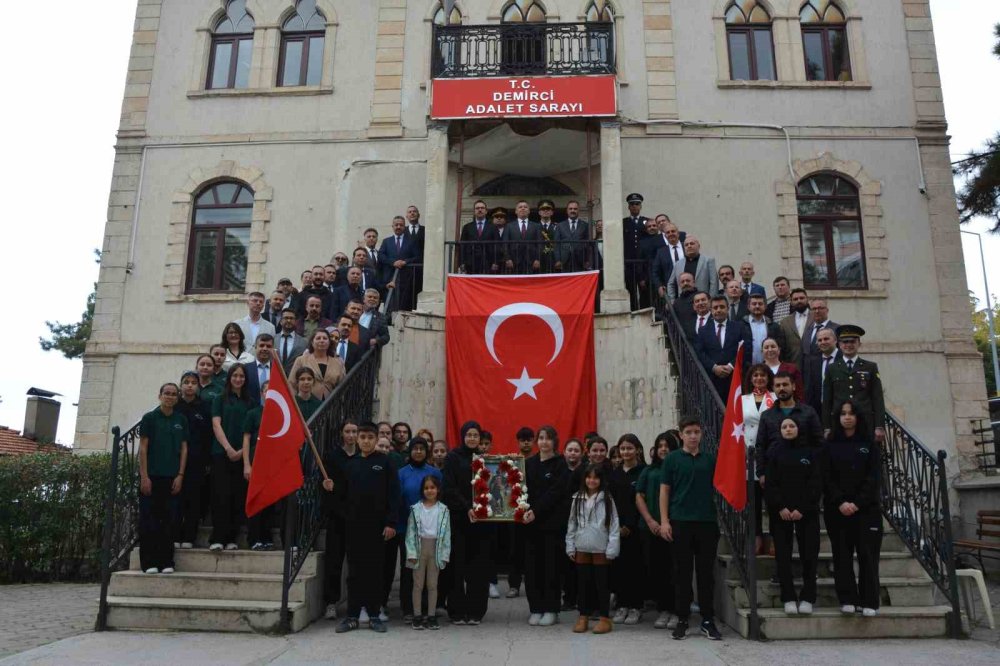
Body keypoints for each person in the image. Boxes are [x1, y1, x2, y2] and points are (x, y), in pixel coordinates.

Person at [659, 416, 723, 641]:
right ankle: (683, 619)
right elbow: (664, 491)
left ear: (701, 434)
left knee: (706, 574)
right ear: (681, 435)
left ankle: (707, 619)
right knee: (682, 573)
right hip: (680, 521)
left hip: (706, 522)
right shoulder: (672, 459)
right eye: (688, 432)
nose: (693, 436)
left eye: (696, 432)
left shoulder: (710, 460)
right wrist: (665, 521)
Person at [334, 422, 401, 634]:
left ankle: (373, 615)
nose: (365, 441)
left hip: (378, 528)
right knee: (354, 572)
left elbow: (394, 494)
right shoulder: (350, 464)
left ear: (376, 439)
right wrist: (332, 490)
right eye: (362, 437)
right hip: (354, 527)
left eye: (370, 437)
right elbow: (342, 495)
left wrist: (391, 522)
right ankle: (352, 616)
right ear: (357, 439)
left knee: (374, 571)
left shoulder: (386, 462)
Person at [824, 400, 882, 617]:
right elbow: (826, 477)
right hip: (837, 510)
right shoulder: (830, 445)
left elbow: (874, 477)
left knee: (868, 555)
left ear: (858, 417)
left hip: (866, 510)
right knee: (842, 554)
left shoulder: (869, 444)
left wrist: (857, 503)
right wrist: (840, 502)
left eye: (851, 413)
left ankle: (869, 601)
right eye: (843, 413)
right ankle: (847, 598)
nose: (847, 417)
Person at [765, 417, 824, 616]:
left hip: (806, 512)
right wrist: (781, 507)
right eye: (784, 426)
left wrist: (802, 508)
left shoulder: (810, 453)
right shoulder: (774, 453)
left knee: (809, 555)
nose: (788, 429)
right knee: (783, 556)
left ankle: (808, 597)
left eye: (792, 426)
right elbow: (771, 483)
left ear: (799, 429)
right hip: (781, 513)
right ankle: (788, 597)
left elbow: (815, 483)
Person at [442, 421, 495, 625]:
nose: (472, 438)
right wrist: (467, 507)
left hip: (482, 522)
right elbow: (449, 488)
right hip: (458, 520)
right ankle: (456, 611)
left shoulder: (486, 459)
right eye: (469, 435)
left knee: (478, 567)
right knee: (456, 566)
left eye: (476, 435)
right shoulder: (453, 458)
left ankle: (475, 611)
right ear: (462, 436)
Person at [138, 383, 188, 574]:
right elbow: (143, 448)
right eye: (166, 393)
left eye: (174, 394)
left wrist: (180, 475)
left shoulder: (181, 419)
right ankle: (149, 562)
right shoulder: (149, 418)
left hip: (172, 477)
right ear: (160, 396)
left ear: (177, 398)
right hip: (152, 476)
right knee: (149, 520)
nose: (170, 397)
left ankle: (167, 562)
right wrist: (144, 476)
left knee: (169, 520)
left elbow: (184, 449)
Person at [522, 426, 569, 626]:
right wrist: (523, 510)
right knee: (532, 568)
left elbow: (556, 493)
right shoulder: (528, 463)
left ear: (554, 441)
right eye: (541, 438)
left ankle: (551, 609)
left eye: (548, 438)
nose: (544, 442)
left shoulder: (560, 464)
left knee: (551, 567)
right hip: (530, 524)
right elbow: (520, 490)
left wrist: (536, 511)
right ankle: (536, 608)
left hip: (552, 525)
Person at [566, 464, 620, 635]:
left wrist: (612, 548)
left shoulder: (607, 499)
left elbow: (614, 525)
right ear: (584, 479)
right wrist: (570, 545)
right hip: (581, 545)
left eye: (596, 478)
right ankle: (583, 616)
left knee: (602, 584)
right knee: (583, 584)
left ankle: (604, 619)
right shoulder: (577, 498)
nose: (592, 480)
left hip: (601, 547)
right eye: (589, 477)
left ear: (601, 480)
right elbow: (572, 523)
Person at [392, 437, 442, 623]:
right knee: (409, 570)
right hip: (407, 528)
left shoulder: (434, 472)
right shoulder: (402, 473)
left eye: (422, 448)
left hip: (431, 530)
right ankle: (408, 609)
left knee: (430, 571)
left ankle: (429, 609)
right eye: (415, 448)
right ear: (410, 451)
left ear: (427, 452)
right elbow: (397, 499)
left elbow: (441, 498)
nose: (419, 451)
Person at [636, 430, 680, 629]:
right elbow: (639, 496)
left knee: (675, 569)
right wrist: (650, 521)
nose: (663, 449)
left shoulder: (677, 469)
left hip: (674, 527)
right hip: (651, 528)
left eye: (667, 446)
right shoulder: (648, 471)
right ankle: (663, 609)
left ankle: (677, 610)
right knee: (658, 570)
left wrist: (666, 522)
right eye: (660, 446)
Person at [209, 364, 253, 551]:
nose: (238, 379)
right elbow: (216, 425)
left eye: (241, 376)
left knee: (237, 496)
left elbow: (251, 431)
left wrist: (241, 452)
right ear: (229, 378)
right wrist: (228, 448)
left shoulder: (250, 402)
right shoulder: (219, 398)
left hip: (242, 455)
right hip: (221, 453)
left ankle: (231, 539)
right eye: (235, 375)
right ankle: (217, 538)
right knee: (221, 495)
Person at [754, 371, 824, 487]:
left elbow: (819, 443)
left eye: (785, 384)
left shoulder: (808, 412)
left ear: (794, 386)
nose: (781, 388)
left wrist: (816, 470)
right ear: (773, 388)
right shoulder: (767, 415)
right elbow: (760, 445)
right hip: (775, 474)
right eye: (778, 385)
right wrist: (761, 473)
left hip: (804, 474)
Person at [822, 325, 886, 443]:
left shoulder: (870, 367)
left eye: (852, 341)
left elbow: (877, 398)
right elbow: (827, 400)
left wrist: (879, 426)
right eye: (845, 342)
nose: (849, 345)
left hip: (865, 422)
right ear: (839, 344)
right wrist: (827, 427)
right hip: (840, 422)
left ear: (859, 344)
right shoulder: (832, 368)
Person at [322, 419, 359, 621]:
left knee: (356, 564)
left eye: (354, 431)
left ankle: (356, 603)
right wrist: (326, 485)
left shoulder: (363, 456)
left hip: (358, 517)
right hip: (337, 517)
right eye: (348, 431)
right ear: (342, 434)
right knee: (334, 561)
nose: (351, 435)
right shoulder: (333, 457)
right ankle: (331, 602)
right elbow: (326, 485)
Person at [406, 475, 451, 630]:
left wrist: (444, 555)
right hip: (419, 548)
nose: (429, 490)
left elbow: (447, 534)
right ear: (422, 490)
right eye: (426, 488)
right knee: (418, 584)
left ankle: (431, 616)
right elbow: (410, 532)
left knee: (432, 584)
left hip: (436, 549)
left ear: (438, 489)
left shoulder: (444, 510)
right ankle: (417, 616)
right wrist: (411, 553)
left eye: (432, 487)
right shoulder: (415, 509)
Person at [610, 434, 645, 625]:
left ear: (637, 449)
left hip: (637, 529)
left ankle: (635, 606)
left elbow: (642, 501)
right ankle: (622, 605)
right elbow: (611, 502)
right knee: (619, 568)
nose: (626, 452)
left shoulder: (643, 472)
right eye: (622, 448)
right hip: (616, 529)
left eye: (629, 448)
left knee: (635, 568)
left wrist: (630, 525)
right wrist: (617, 525)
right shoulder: (614, 474)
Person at [175, 371, 212, 550]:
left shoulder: (204, 407)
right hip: (175, 460)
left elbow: (208, 435)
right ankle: (175, 535)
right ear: (181, 385)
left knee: (194, 499)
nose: (190, 385)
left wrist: (207, 461)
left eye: (193, 383)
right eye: (186, 382)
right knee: (176, 499)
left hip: (197, 460)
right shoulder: (174, 406)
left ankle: (189, 536)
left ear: (198, 386)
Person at [742, 364, 776, 555]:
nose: (759, 378)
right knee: (753, 501)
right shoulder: (743, 400)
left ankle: (773, 537)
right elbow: (737, 426)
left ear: (768, 378)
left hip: (770, 455)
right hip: (748, 455)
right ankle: (756, 537)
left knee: (772, 500)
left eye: (763, 375)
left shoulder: (776, 398)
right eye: (755, 375)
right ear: (751, 378)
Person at [694, 296, 753, 399]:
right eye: (715, 307)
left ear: (728, 308)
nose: (719, 310)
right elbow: (700, 352)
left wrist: (731, 366)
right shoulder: (703, 330)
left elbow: (746, 349)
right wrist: (714, 367)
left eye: (722, 307)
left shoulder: (739, 327)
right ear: (711, 310)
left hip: (735, 378)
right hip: (712, 380)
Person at [242, 381, 275, 551]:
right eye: (266, 391)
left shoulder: (280, 414)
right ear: (262, 393)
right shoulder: (253, 413)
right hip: (255, 461)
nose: (269, 394)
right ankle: (254, 538)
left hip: (273, 464)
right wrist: (247, 465)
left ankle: (266, 537)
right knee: (255, 500)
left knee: (269, 502)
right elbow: (246, 438)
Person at [506, 426, 536, 599]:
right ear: (518, 442)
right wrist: (509, 464)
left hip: (533, 511)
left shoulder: (538, 461)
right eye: (522, 440)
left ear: (533, 441)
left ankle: (534, 584)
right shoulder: (512, 461)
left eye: (529, 440)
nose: (526, 443)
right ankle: (514, 585)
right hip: (514, 512)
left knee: (533, 549)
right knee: (514, 550)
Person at [290, 329, 345, 400]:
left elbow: (342, 386)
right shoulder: (301, 360)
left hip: (330, 403)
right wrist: (295, 401)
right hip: (305, 401)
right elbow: (292, 384)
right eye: (318, 338)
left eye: (325, 338)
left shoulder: (338, 363)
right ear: (312, 342)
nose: (322, 341)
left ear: (329, 342)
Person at [379, 216, 419, 311]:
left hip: (406, 278)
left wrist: (405, 262)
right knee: (390, 304)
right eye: (396, 225)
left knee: (404, 304)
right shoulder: (386, 241)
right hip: (390, 277)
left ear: (404, 227)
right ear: (392, 226)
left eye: (401, 225)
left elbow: (417, 256)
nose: (398, 227)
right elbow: (381, 256)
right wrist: (393, 262)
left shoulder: (411, 241)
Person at [667, 236, 718, 301]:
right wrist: (672, 301)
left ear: (698, 246)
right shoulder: (678, 264)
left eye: (692, 243)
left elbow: (714, 282)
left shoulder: (708, 261)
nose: (689, 246)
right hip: (683, 302)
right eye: (686, 245)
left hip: (702, 302)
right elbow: (670, 284)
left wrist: (711, 300)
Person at [803, 326, 840, 415]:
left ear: (835, 340)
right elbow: (810, 390)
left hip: (841, 410)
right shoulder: (813, 362)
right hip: (819, 411)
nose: (823, 342)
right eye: (820, 340)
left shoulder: (844, 359)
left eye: (826, 339)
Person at [460, 199, 500, 275]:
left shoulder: (493, 227)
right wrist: (462, 262)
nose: (480, 210)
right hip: (471, 262)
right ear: (474, 211)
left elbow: (497, 245)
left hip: (488, 262)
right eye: (477, 208)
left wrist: (496, 262)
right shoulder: (467, 227)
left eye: (482, 208)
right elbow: (462, 246)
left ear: (486, 211)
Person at [622, 193, 648, 310]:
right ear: (628, 207)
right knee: (630, 289)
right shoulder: (623, 222)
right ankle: (633, 312)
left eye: (637, 204)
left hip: (643, 263)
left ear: (640, 206)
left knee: (645, 290)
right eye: (632, 204)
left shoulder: (647, 222)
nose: (634, 206)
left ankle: (645, 312)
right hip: (629, 263)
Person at [554, 200, 592, 273]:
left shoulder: (585, 225)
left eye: (575, 209)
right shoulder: (560, 225)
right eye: (570, 209)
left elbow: (588, 244)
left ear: (578, 210)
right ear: (567, 210)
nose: (573, 211)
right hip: (564, 260)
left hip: (580, 260)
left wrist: (587, 260)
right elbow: (556, 244)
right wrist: (558, 260)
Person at [762, 338, 804, 402]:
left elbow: (799, 393)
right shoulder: (757, 371)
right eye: (766, 347)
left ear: (779, 350)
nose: (770, 349)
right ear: (762, 351)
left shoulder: (792, 369)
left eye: (773, 346)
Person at [777, 288, 811, 367]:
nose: (799, 301)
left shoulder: (816, 317)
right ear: (791, 302)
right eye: (795, 299)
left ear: (807, 299)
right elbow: (783, 347)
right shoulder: (785, 322)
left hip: (814, 364)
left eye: (802, 298)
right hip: (793, 364)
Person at [507, 200, 542, 274]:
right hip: (514, 262)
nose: (523, 208)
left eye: (525, 207)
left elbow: (540, 244)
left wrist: (538, 259)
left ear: (529, 211)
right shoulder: (509, 226)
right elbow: (505, 244)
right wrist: (508, 259)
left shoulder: (536, 226)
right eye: (520, 207)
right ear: (516, 211)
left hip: (532, 262)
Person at [242, 334, 274, 405]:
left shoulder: (278, 370)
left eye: (268, 346)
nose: (265, 349)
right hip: (250, 409)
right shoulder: (245, 369)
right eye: (261, 345)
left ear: (273, 349)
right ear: (255, 347)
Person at [275, 308, 308, 373]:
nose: (289, 320)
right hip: (276, 375)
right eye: (286, 318)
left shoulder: (304, 342)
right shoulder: (273, 339)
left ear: (295, 321)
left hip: (295, 376)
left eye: (291, 318)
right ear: (281, 321)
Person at [537, 199, 558, 273]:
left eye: (548, 209)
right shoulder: (534, 227)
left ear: (552, 212)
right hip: (538, 261)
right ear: (539, 212)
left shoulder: (558, 227)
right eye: (543, 209)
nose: (545, 210)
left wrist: (559, 260)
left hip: (554, 260)